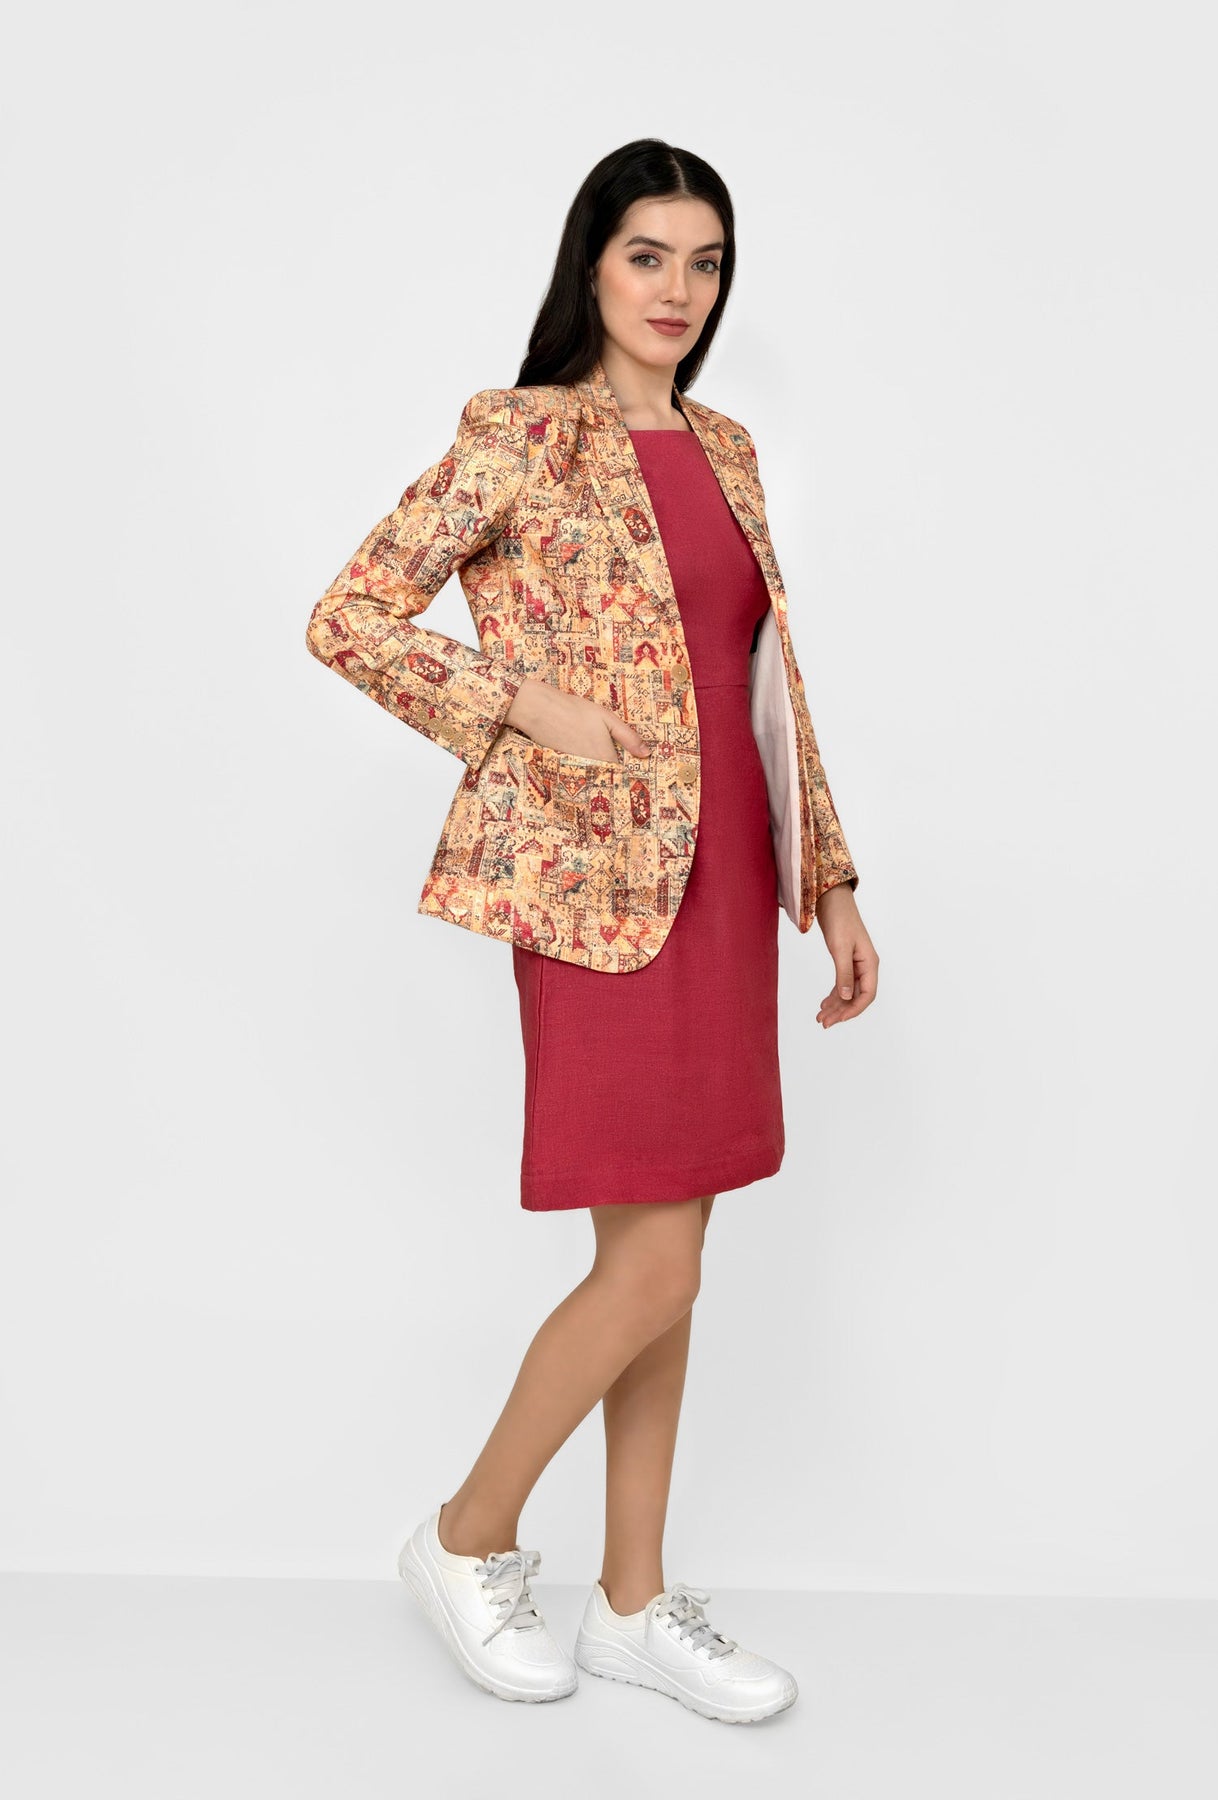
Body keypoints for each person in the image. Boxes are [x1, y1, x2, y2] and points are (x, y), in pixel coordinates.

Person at [305, 138, 879, 1724]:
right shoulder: (522, 435)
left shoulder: (728, 447)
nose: (677, 290)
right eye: (647, 256)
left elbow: (764, 681)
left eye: (704, 262)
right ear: (591, 266)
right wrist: (522, 704)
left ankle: (630, 1600)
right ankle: (464, 1534)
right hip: (591, 883)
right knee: (653, 1261)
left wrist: (829, 879)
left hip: (732, 878)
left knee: (666, 1261)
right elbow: (349, 616)